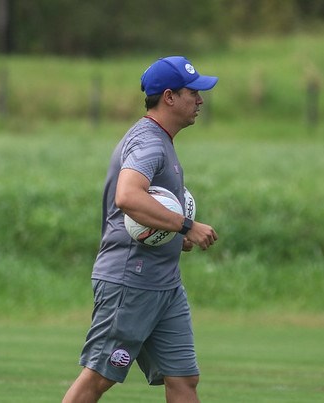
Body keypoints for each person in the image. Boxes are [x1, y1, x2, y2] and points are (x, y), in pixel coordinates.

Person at [62, 56, 219, 403]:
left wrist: (173, 235)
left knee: (184, 378)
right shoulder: (148, 142)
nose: (200, 100)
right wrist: (186, 226)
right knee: (99, 377)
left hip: (164, 283)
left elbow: (144, 214)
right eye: (193, 92)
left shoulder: (161, 140)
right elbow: (128, 196)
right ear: (169, 97)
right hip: (131, 281)